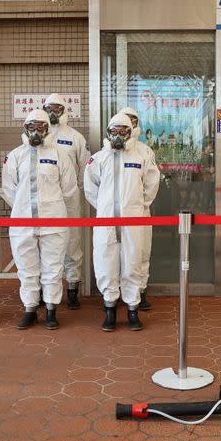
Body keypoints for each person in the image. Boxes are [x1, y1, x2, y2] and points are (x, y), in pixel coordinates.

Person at [84, 113, 160, 331]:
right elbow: (90, 188)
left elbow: (151, 183)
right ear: (108, 133)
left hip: (133, 221)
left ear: (130, 133)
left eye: (123, 131)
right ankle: (109, 310)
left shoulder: (141, 155)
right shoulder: (98, 158)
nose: (118, 136)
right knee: (105, 262)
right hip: (106, 222)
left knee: (132, 262)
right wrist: (105, 207)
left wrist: (138, 206)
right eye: (114, 131)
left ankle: (132, 310)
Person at [3, 110, 77, 330]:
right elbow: (9, 189)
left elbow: (69, 189)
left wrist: (51, 206)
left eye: (41, 127)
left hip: (53, 222)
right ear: (26, 129)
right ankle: (30, 309)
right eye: (32, 127)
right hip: (22, 222)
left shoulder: (59, 155)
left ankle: (52, 309)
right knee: (26, 268)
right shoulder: (15, 155)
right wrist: (23, 208)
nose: (36, 131)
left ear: (47, 129)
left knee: (53, 268)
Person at [42, 93, 90, 309]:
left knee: (72, 244)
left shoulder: (75, 137)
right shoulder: (38, 134)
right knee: (44, 245)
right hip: (45, 202)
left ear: (64, 111)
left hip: (69, 200)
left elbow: (86, 167)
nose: (53, 112)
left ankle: (72, 288)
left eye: (57, 108)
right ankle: (44, 289)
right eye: (49, 108)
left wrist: (75, 189)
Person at [118, 106, 160, 311]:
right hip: (113, 217)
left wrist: (140, 205)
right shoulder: (107, 151)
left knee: (141, 252)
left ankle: (140, 292)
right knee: (115, 254)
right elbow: (94, 186)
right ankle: (116, 293)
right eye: (125, 119)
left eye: (133, 120)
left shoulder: (144, 151)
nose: (129, 124)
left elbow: (152, 183)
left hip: (139, 214)